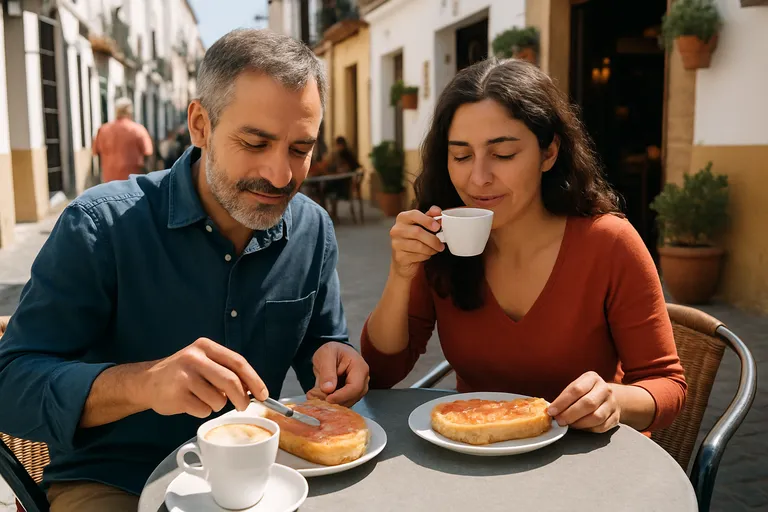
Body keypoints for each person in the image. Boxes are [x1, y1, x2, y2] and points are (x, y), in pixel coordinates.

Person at [0, 29, 369, 511]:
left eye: (300, 150)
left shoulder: (311, 228)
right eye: (255, 143)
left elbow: (323, 342)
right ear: (200, 124)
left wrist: (335, 355)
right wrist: (145, 383)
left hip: (261, 479)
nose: (282, 176)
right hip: (115, 483)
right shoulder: (101, 225)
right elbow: (11, 386)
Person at [362, 58, 686, 435]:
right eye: (462, 156)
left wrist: (613, 399)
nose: (479, 178)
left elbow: (666, 385)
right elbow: (382, 373)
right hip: (475, 450)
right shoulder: (439, 243)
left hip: (586, 465)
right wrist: (401, 273)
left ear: (549, 153)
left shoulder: (609, 243)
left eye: (503, 154)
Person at [92, 97, 154, 182]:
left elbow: (97, 153)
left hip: (109, 181)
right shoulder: (138, 129)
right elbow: (148, 153)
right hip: (132, 182)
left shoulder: (103, 130)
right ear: (130, 111)